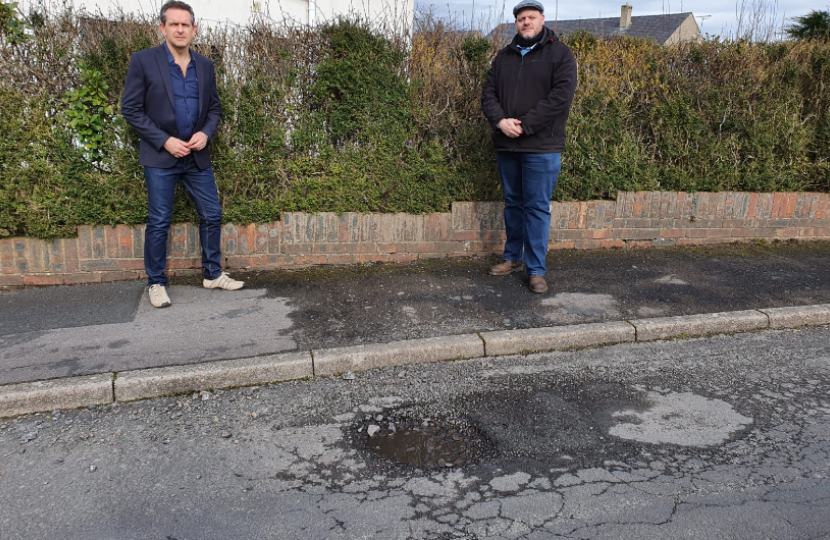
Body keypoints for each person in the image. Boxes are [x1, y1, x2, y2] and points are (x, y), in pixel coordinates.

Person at [122, 0, 243, 308]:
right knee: (160, 220)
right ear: (162, 28)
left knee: (212, 214)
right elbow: (131, 109)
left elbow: (214, 108)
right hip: (161, 157)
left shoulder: (205, 65)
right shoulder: (144, 61)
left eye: (185, 24)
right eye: (173, 24)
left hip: (196, 156)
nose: (179, 29)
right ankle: (157, 283)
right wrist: (165, 141)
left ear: (194, 29)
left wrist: (205, 133)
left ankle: (213, 274)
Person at [481, 0, 578, 294]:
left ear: (542, 19)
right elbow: (488, 94)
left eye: (531, 17)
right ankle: (513, 258)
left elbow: (561, 96)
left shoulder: (560, 54)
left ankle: (536, 270)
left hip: (541, 146)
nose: (526, 22)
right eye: (521, 18)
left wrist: (524, 124)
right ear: (516, 23)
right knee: (513, 204)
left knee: (536, 208)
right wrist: (500, 121)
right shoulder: (503, 57)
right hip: (507, 144)